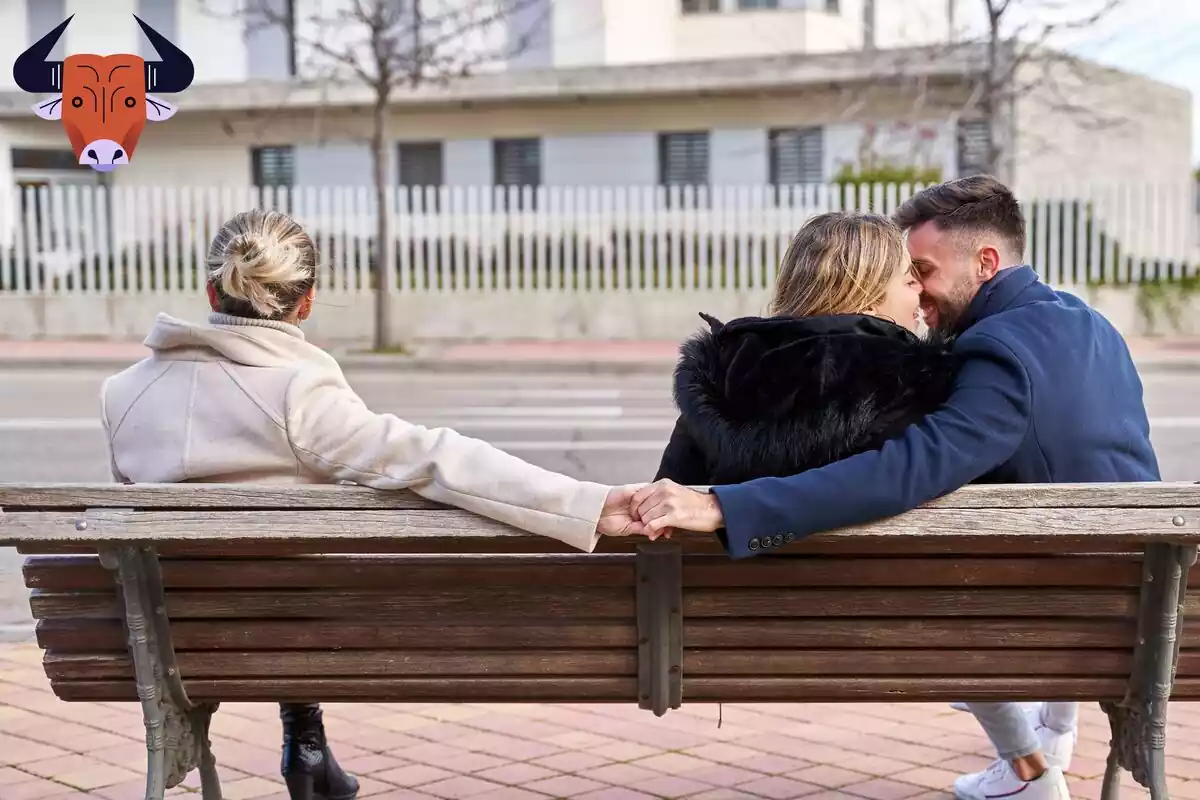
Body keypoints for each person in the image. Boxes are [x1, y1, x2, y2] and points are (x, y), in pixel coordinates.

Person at [631, 174, 1161, 800]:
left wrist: (723, 504)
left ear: (984, 262)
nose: (919, 289)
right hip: (1130, 600)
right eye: (908, 273)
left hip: (1009, 616)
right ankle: (1045, 744)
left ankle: (1037, 759)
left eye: (925, 270)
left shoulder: (989, 352)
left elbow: (908, 469)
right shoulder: (1091, 326)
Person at [98, 209, 647, 800]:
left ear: (211, 290)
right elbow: (437, 458)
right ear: (305, 304)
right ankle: (305, 742)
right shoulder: (298, 395)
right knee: (291, 575)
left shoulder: (121, 393)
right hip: (297, 637)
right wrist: (589, 502)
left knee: (245, 569)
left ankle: (307, 742)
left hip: (168, 639)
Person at [654, 210, 960, 491]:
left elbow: (667, 499)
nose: (921, 291)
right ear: (866, 298)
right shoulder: (916, 385)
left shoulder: (722, 376)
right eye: (909, 281)